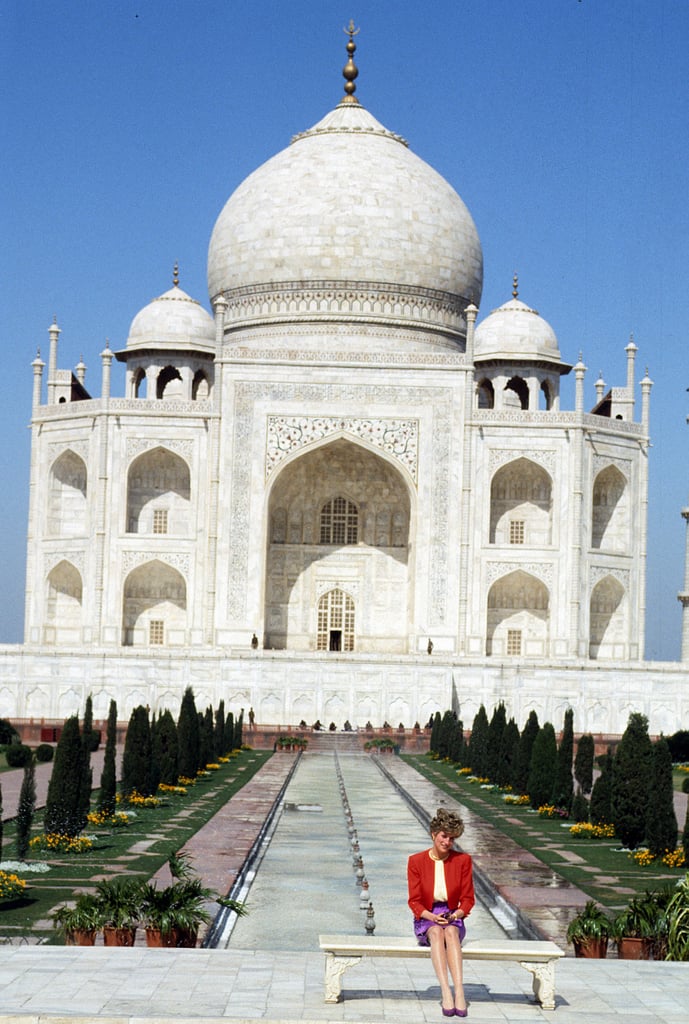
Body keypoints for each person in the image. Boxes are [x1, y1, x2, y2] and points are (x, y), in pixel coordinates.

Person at [407, 807, 474, 1018]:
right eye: (444, 836)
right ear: (433, 834)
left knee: (451, 932)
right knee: (436, 932)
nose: (447, 842)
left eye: (452, 838)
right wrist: (430, 916)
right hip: (426, 916)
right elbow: (415, 902)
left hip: (453, 914)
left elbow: (468, 900)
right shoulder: (416, 861)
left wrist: (455, 916)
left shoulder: (462, 861)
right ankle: (446, 991)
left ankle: (460, 991)